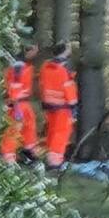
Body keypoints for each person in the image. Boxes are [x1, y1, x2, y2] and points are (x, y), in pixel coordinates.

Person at [39, 42, 78, 170]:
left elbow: (44, 83)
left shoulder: (46, 66)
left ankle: (49, 158)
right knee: (61, 134)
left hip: (48, 104)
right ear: (65, 52)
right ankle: (55, 162)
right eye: (69, 49)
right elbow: (68, 89)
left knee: (52, 132)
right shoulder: (63, 70)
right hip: (62, 106)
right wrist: (73, 105)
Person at [0, 43, 39, 164]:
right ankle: (7, 153)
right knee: (16, 126)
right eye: (35, 50)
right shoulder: (18, 67)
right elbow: (14, 87)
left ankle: (29, 147)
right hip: (17, 102)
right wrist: (15, 105)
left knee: (29, 122)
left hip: (22, 101)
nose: (37, 53)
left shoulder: (23, 66)